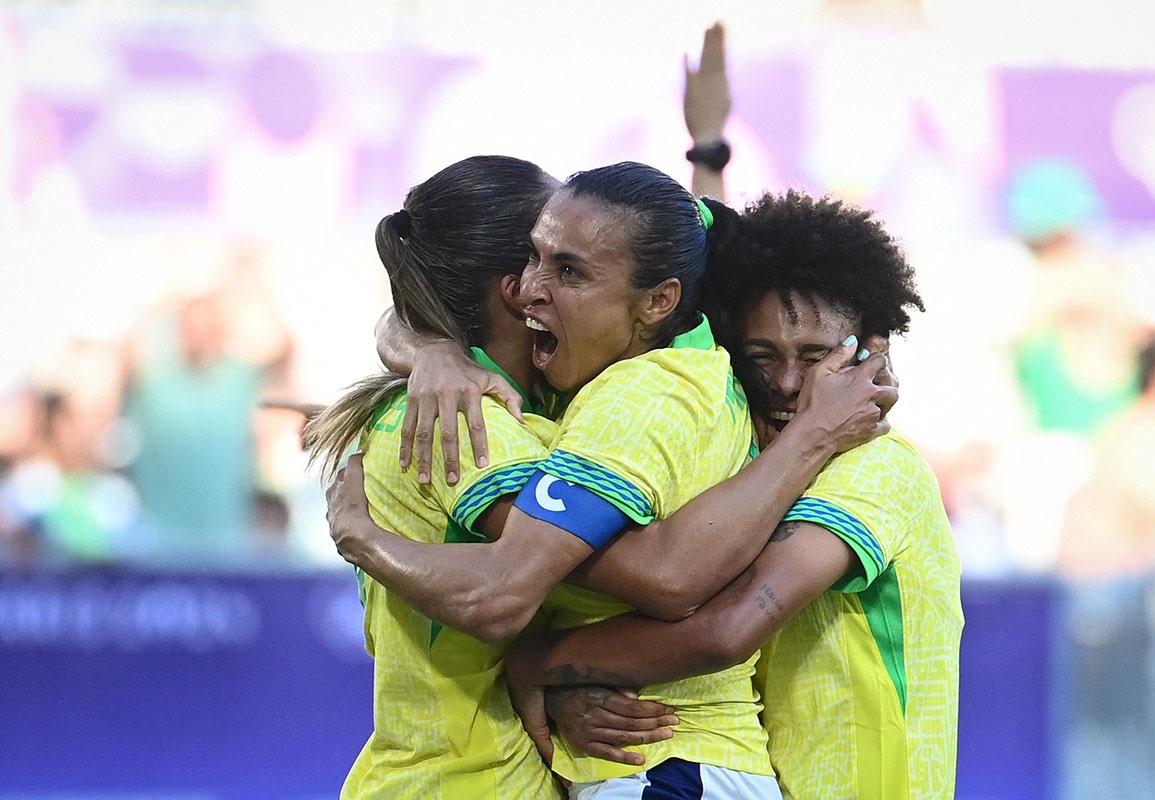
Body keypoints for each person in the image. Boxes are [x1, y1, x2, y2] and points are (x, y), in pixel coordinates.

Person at [321, 160, 896, 798]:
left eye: (566, 270)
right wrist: (426, 345)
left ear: (659, 300)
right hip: (494, 779)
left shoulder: (631, 392)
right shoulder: (480, 415)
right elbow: (614, 578)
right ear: (505, 287)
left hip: (651, 768)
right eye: (536, 260)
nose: (538, 287)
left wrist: (362, 538)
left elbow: (651, 582)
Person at [500, 190, 964, 800]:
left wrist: (538, 664)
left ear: (873, 352)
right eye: (761, 356)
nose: (790, 383)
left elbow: (727, 629)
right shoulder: (763, 461)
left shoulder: (874, 468)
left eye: (816, 355)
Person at [304, 155, 566, 799]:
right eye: (563, 258)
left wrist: (425, 345)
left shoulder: (479, 397)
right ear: (520, 287)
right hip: (464, 784)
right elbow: (653, 576)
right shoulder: (470, 427)